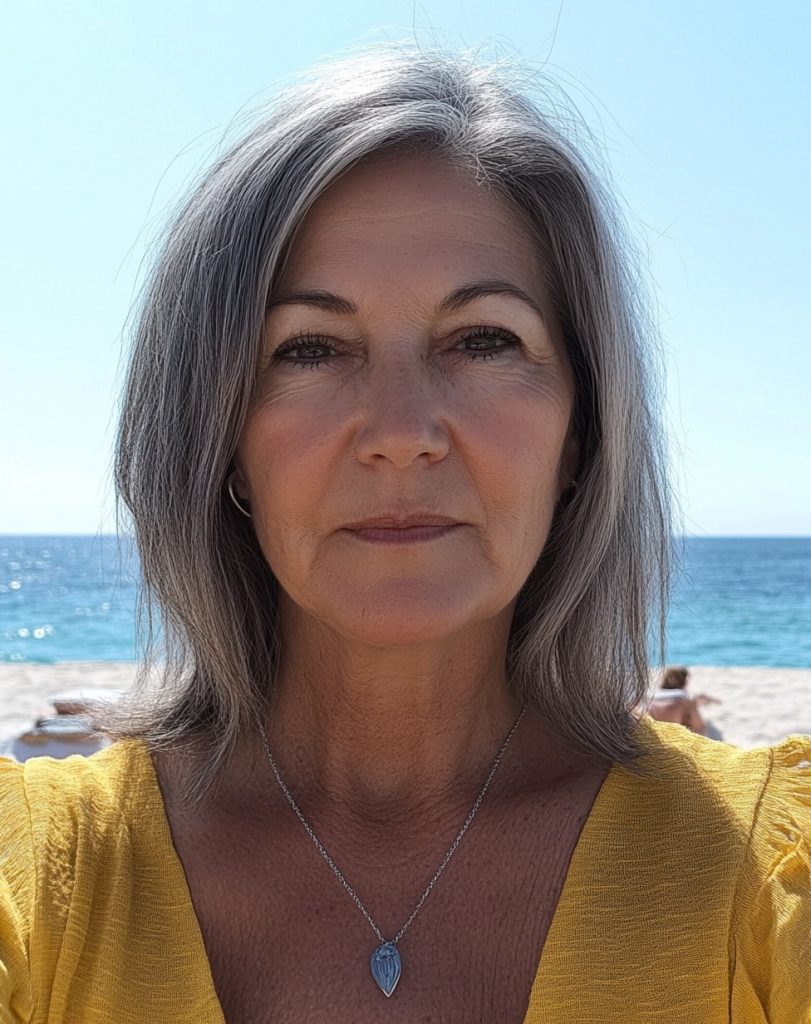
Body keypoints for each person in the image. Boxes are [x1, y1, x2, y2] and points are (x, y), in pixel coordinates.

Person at [1, 43, 808, 1023]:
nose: (400, 431)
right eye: (309, 349)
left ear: (581, 432)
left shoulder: (766, 875)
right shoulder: (33, 883)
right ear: (219, 439)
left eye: (483, 340)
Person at [645, 664, 720, 736]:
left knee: (697, 701)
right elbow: (699, 727)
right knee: (698, 702)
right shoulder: (685, 697)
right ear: (685, 680)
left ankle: (707, 700)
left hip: (655, 730)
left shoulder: (652, 696)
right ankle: (708, 700)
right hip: (674, 730)